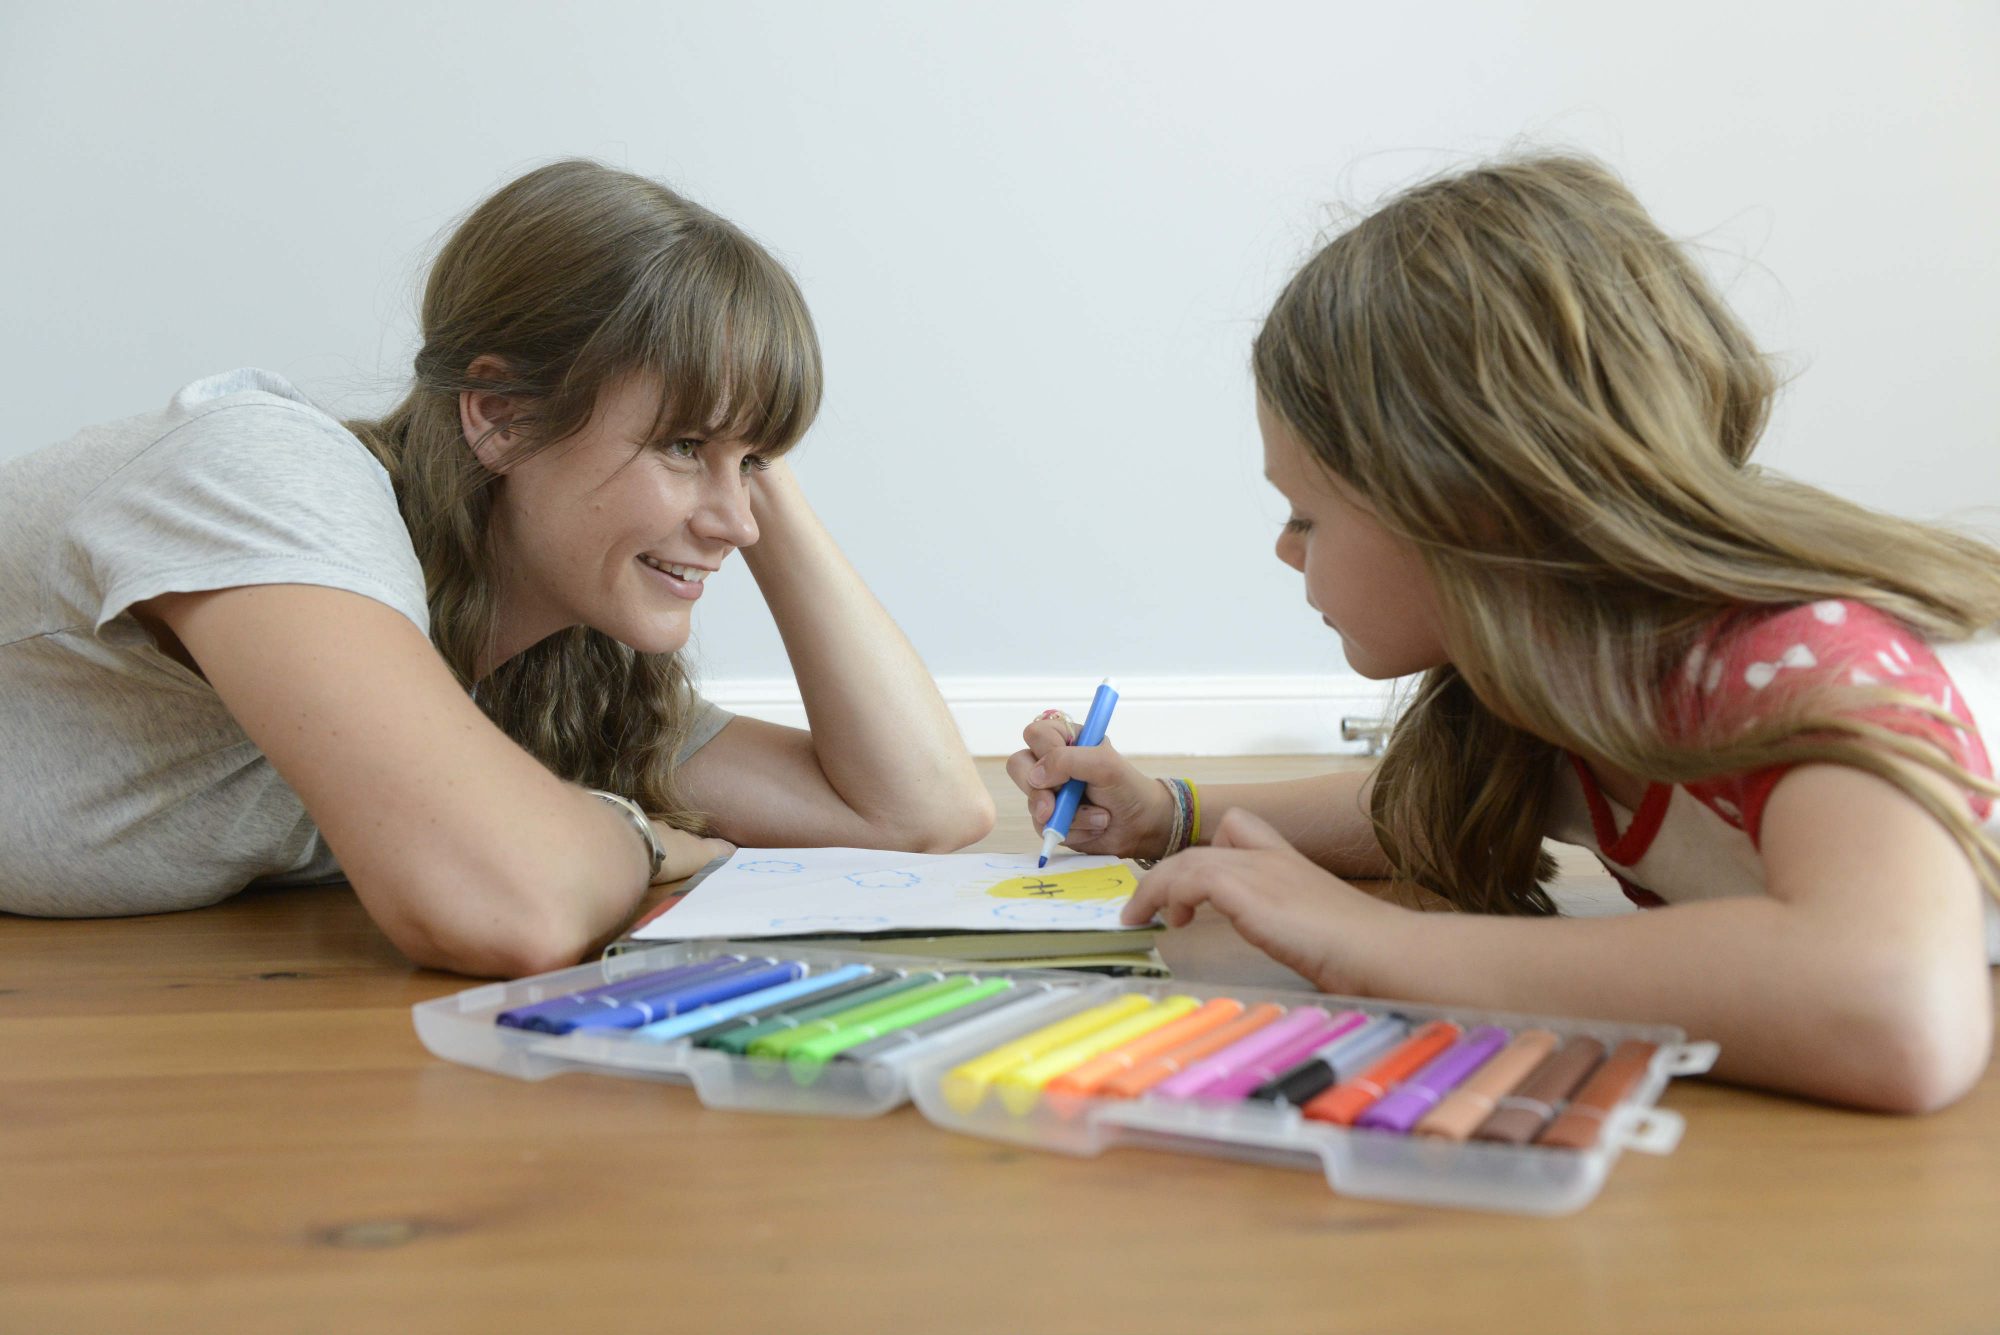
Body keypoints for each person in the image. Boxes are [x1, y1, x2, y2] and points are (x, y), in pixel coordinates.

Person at [1012, 155, 2000, 1113]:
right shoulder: (1575, 685)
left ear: (1465, 505)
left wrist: (1369, 944)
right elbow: (1407, 804)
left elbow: (1899, 1011)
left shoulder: (1797, 664)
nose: (1284, 549)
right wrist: (1164, 814)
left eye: (1305, 515)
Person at [0, 159, 992, 976]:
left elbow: (919, 816)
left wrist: (743, 448)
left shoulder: (541, 661)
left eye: (757, 466)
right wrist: (640, 836)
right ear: (501, 414)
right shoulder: (262, 474)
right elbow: (505, 904)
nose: (737, 523)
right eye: (683, 444)